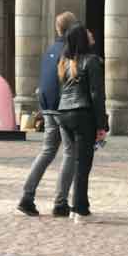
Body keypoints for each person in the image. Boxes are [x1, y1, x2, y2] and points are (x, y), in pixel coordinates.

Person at [17, 11, 79, 217]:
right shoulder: (70, 51)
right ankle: (60, 202)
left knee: (47, 151)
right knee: (71, 152)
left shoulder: (50, 49)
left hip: (48, 106)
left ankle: (27, 196)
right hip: (63, 108)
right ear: (72, 29)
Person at [56, 23, 107, 224]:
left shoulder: (64, 62)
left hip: (64, 113)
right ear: (82, 39)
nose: (91, 33)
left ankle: (78, 206)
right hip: (82, 114)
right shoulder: (92, 61)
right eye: (88, 32)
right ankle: (80, 210)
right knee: (83, 163)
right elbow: (96, 94)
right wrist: (101, 124)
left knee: (76, 161)